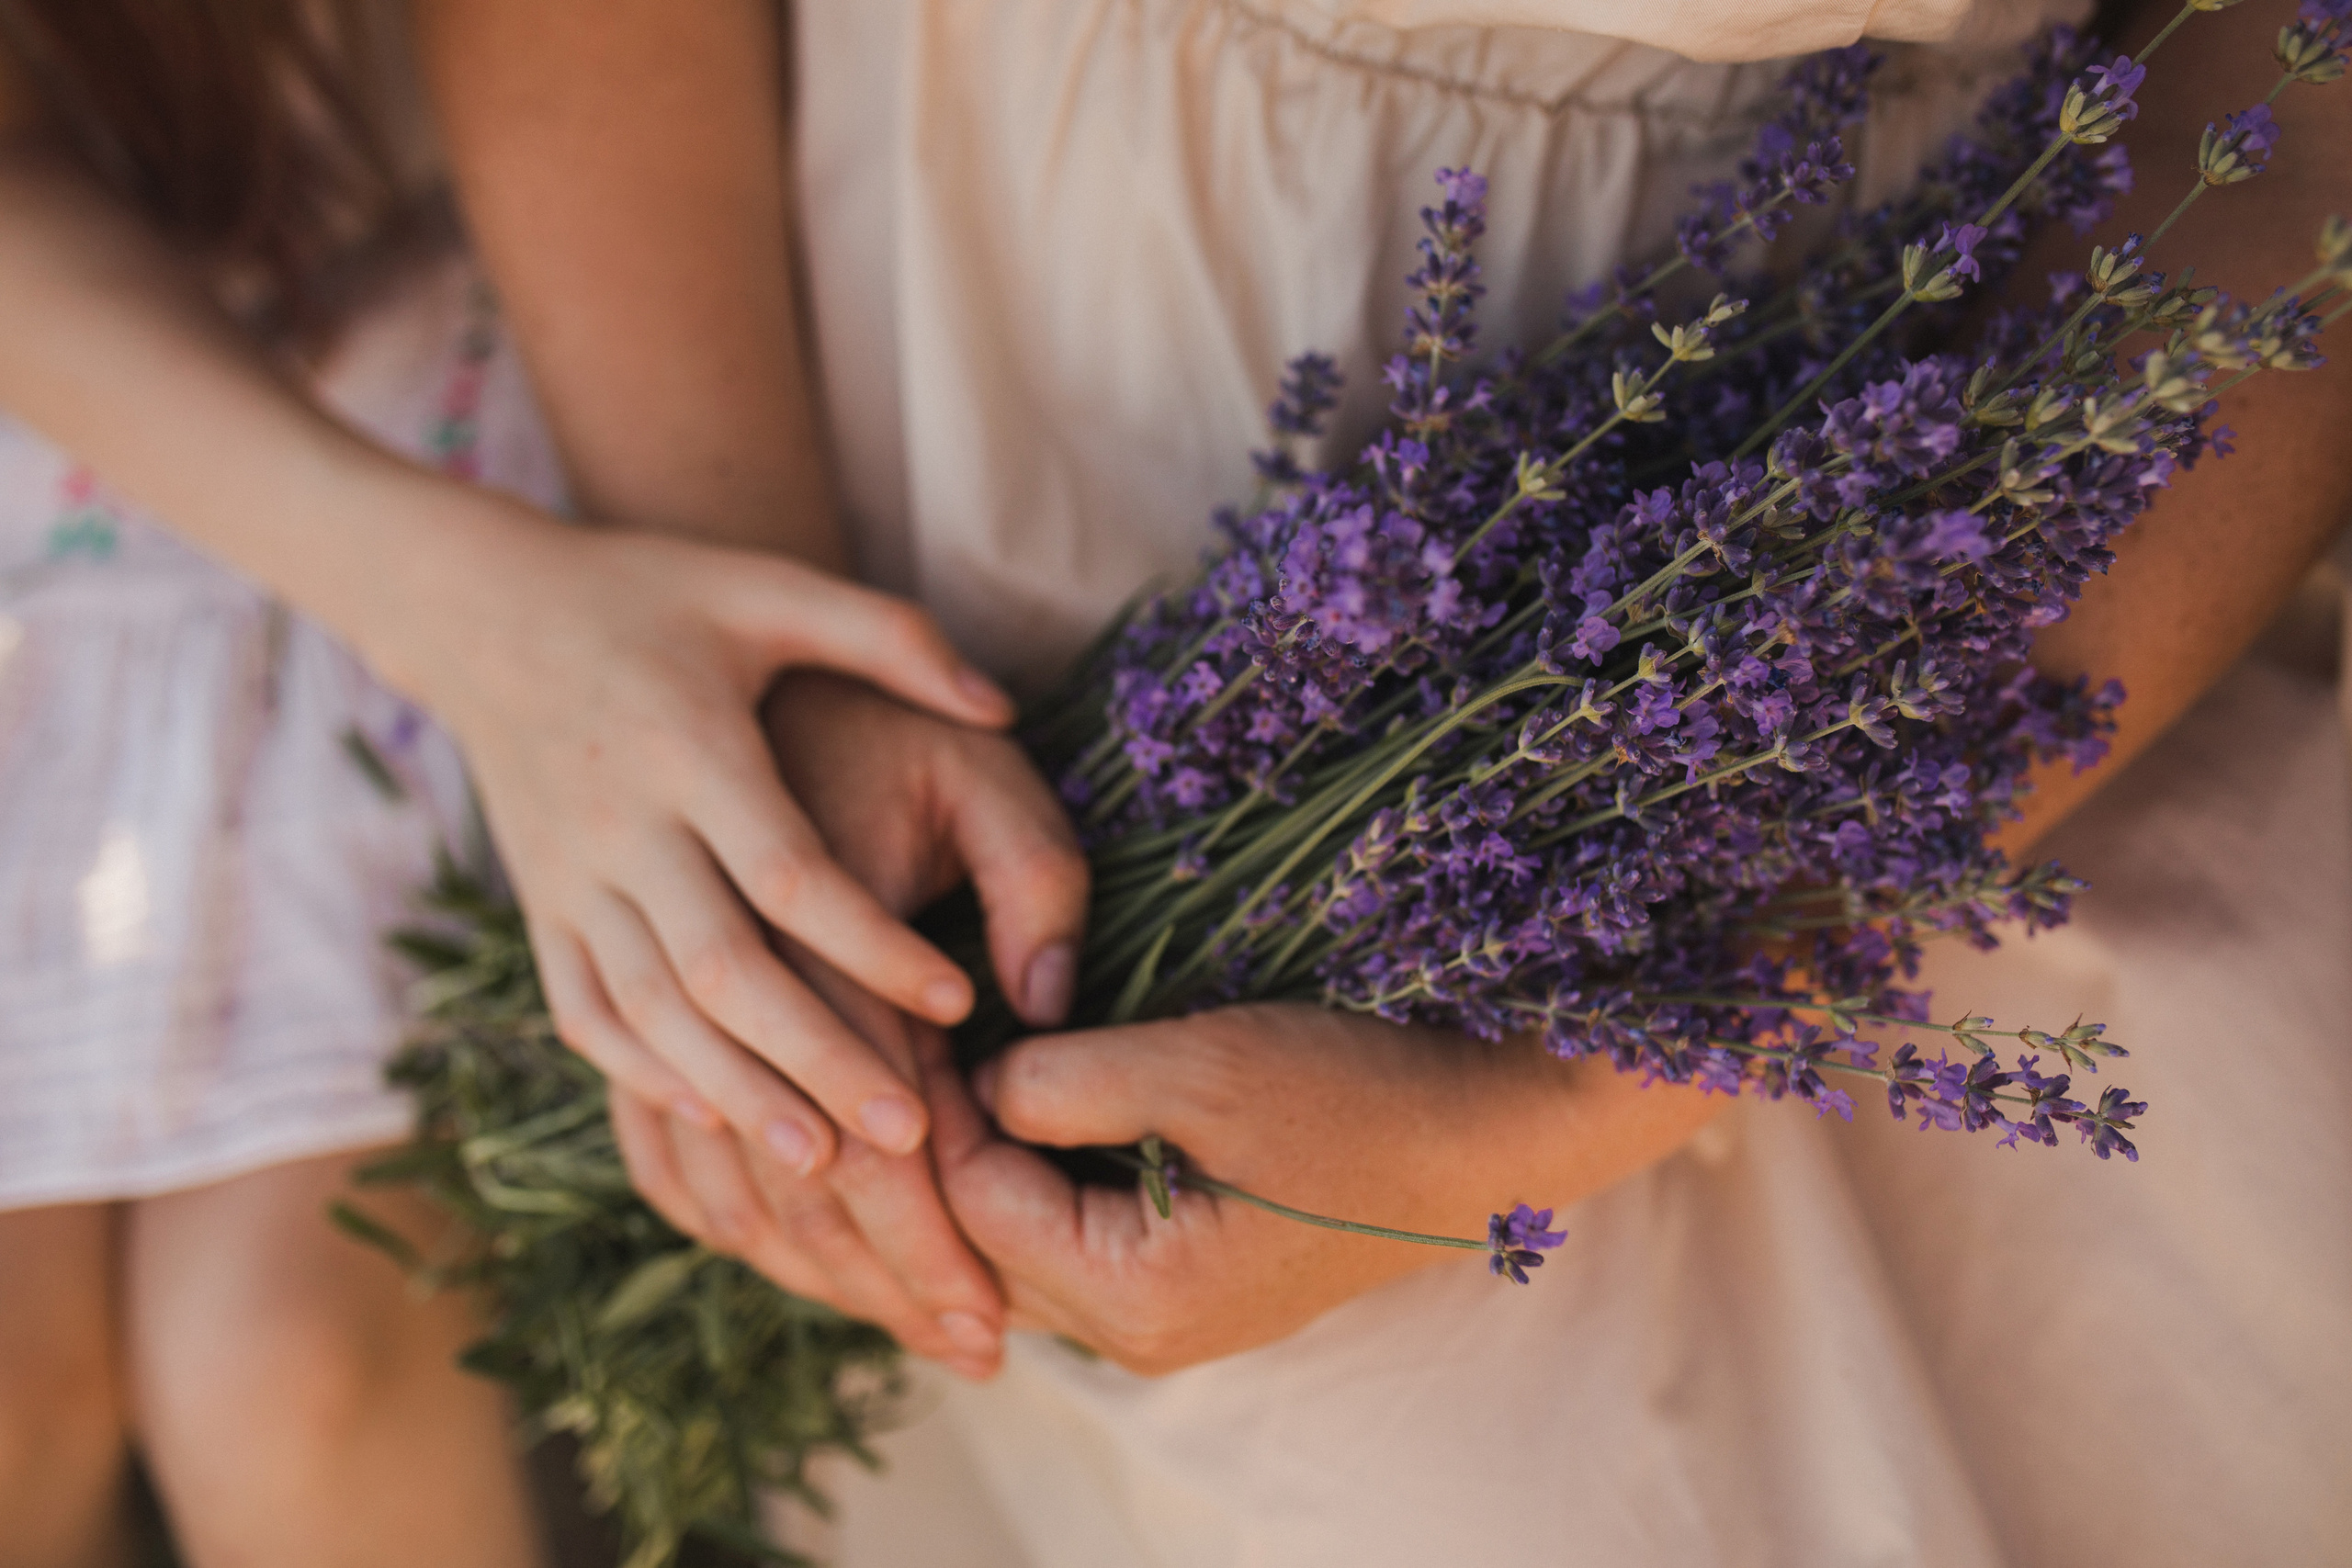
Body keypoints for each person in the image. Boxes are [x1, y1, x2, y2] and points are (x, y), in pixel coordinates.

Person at [425, 1, 2351, 1564]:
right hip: (945, 489)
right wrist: (753, 678)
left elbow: (2302, 111)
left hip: (1993, 594)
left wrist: (1531, 1107)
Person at [0, 2, 1041, 1561]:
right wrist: (486, 632)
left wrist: (578, 644)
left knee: (286, 1366)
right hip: (88, 410)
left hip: (507, 290)